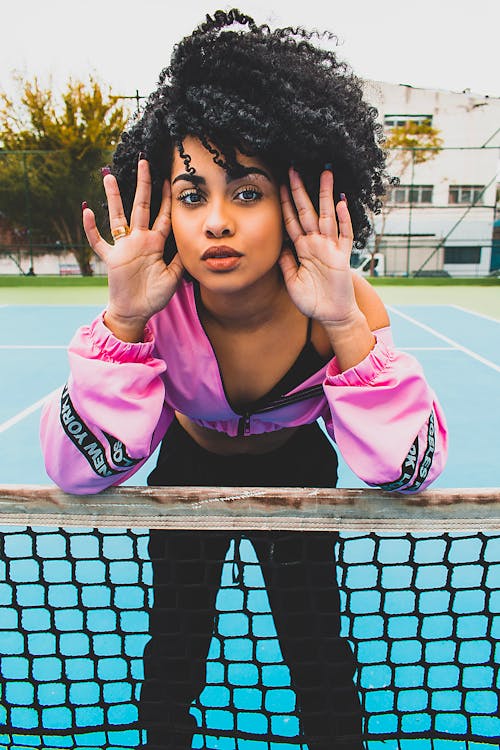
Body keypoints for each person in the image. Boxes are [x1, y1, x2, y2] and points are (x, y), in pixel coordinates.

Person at [40, 9, 448, 749]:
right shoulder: (154, 309)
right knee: (176, 637)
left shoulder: (343, 309)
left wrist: (346, 327)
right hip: (188, 473)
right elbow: (77, 470)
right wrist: (122, 324)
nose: (217, 221)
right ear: (164, 207)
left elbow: (409, 470)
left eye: (248, 192)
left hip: (298, 473)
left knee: (313, 636)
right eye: (193, 195)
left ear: (299, 200)